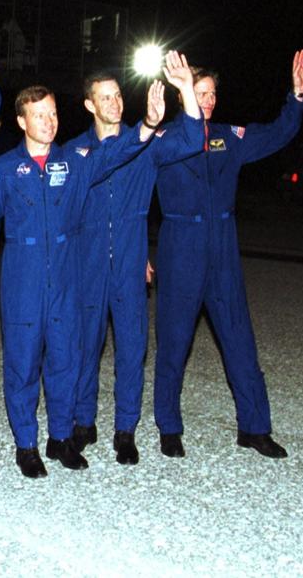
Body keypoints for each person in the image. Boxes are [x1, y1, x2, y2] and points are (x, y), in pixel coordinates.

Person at [0, 55, 199, 478]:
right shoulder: (27, 164)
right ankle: (44, 439)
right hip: (56, 274)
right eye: (39, 115)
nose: (47, 121)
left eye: (52, 113)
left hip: (107, 268)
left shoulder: (82, 159)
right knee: (52, 359)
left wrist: (159, 117)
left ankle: (97, 434)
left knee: (99, 353)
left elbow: (154, 145)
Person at [153, 50, 303, 460]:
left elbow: (277, 134)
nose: (207, 101)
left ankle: (255, 428)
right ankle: (169, 428)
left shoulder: (229, 137)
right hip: (180, 245)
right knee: (174, 343)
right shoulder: (165, 139)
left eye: (210, 94)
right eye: (199, 92)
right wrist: (139, 252)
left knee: (240, 341)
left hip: (222, 246)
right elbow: (135, 195)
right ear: (183, 94)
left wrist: (295, 97)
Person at [67, 55, 203, 465]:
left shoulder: (149, 144)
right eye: (104, 97)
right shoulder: (75, 151)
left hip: (128, 263)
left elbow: (193, 137)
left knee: (131, 349)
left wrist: (185, 91)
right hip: (87, 264)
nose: (114, 103)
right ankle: (82, 422)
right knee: (84, 347)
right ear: (89, 104)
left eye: (117, 95)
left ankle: (125, 430)